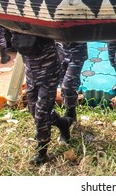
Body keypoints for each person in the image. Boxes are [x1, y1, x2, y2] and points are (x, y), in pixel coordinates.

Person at [10, 30, 72, 165]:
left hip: (48, 71)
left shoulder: (39, 11)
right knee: (34, 111)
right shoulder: (16, 14)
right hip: (31, 73)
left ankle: (42, 151)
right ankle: (63, 124)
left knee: (41, 113)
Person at [55, 41, 88, 136]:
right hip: (59, 49)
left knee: (67, 85)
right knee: (63, 83)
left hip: (76, 51)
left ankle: (70, 113)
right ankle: (71, 112)